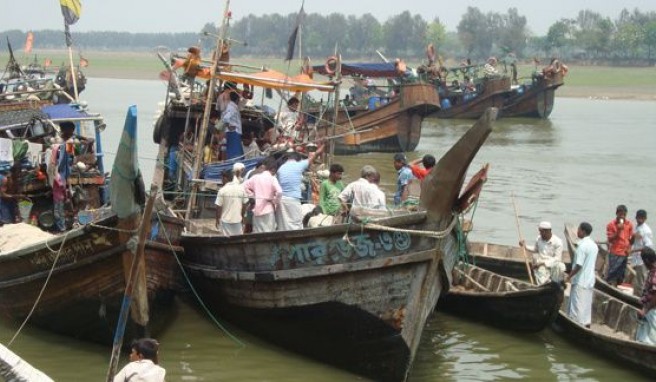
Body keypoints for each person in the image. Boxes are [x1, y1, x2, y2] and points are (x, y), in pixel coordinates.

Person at [275, 144, 325, 231]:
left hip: (281, 199)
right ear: (297, 159)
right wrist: (324, 144)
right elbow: (315, 155)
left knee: (282, 224)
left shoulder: (280, 168)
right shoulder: (298, 165)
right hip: (293, 200)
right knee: (296, 223)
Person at [566, 222, 598, 328]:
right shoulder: (594, 245)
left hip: (580, 280)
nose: (577, 231)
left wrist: (569, 276)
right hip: (589, 280)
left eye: (579, 229)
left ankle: (576, 325)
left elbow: (579, 265)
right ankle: (586, 323)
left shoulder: (582, 246)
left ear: (583, 231)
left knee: (577, 306)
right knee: (586, 305)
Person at [242, 157, 281, 233]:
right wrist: (275, 201)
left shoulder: (255, 177)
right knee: (269, 232)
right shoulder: (273, 179)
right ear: (273, 169)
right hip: (268, 209)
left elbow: (244, 186)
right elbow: (279, 192)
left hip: (257, 209)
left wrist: (252, 196)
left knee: (257, 232)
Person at [606, 204, 634, 286]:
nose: (622, 216)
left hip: (625, 252)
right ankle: (609, 285)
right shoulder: (611, 224)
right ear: (616, 213)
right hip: (615, 252)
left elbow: (630, 239)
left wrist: (629, 248)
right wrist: (618, 230)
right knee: (612, 271)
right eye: (620, 214)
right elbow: (610, 239)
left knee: (621, 273)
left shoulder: (629, 224)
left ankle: (619, 286)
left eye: (624, 215)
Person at [215, 170, 248, 236]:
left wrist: (217, 219)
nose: (221, 180)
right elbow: (245, 204)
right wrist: (243, 216)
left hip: (225, 221)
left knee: (226, 240)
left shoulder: (222, 190)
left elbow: (218, 207)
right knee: (238, 240)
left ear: (225, 178)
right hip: (237, 220)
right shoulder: (241, 189)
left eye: (222, 178)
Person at [630, 209, 653, 296]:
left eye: (642, 218)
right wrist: (633, 237)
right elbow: (632, 241)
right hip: (635, 258)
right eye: (638, 218)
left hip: (642, 259)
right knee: (635, 279)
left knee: (640, 281)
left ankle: (638, 298)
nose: (639, 220)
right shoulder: (636, 227)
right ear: (636, 217)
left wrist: (633, 250)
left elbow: (648, 247)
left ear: (645, 218)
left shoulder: (647, 231)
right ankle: (635, 294)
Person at [636, 247, 656, 345]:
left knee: (649, 340)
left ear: (647, 260)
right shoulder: (652, 271)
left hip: (652, 310)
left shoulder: (654, 273)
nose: (643, 263)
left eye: (643, 261)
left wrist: (645, 310)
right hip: (650, 309)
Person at [221, 91, 243, 160]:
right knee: (235, 154)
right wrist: (229, 126)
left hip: (233, 132)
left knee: (233, 152)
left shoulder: (232, 106)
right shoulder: (232, 107)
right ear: (237, 100)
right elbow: (225, 118)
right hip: (233, 132)